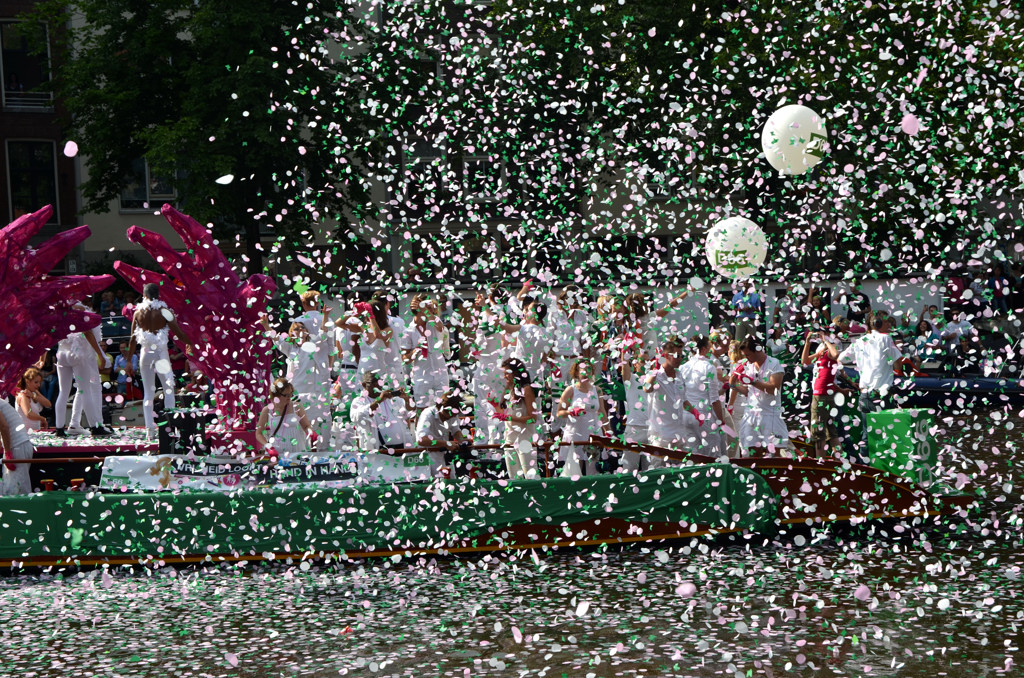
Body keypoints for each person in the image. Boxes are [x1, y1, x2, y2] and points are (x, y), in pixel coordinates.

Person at [126, 283, 190, 439]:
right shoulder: (164, 311)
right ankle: (169, 428)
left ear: (144, 295)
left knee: (148, 392)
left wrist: (128, 360)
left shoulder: (137, 313)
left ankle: (150, 431)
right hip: (160, 353)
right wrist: (192, 343)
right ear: (158, 295)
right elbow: (179, 334)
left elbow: (132, 340)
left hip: (145, 354)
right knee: (168, 389)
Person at [837, 314, 903, 459]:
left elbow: (841, 359)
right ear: (877, 323)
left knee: (867, 433)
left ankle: (865, 466)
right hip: (882, 394)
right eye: (887, 322)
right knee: (887, 433)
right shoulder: (885, 339)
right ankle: (886, 469)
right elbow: (898, 364)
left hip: (865, 394)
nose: (890, 325)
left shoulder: (860, 341)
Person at [53, 303, 112, 438]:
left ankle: (59, 429)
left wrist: (42, 357)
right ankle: (95, 427)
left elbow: (52, 334)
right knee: (84, 390)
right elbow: (88, 333)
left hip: (62, 352)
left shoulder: (59, 308)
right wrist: (100, 354)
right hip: (77, 353)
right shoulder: (78, 308)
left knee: (63, 392)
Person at [730, 335, 790, 454]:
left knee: (774, 454)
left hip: (770, 414)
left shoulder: (774, 363)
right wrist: (733, 384)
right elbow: (748, 392)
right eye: (745, 355)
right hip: (751, 414)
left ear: (758, 350)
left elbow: (774, 389)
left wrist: (752, 381)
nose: (746, 358)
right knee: (752, 452)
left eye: (748, 354)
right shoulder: (747, 365)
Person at [643, 336, 698, 466]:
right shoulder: (656, 375)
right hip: (660, 435)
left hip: (678, 434)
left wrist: (696, 413)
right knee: (659, 471)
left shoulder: (679, 376)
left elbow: (683, 401)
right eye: (677, 356)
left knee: (683, 470)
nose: (680, 359)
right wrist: (654, 374)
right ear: (667, 355)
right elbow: (646, 389)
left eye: (681, 356)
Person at [556, 360, 611, 477]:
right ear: (576, 372)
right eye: (583, 369)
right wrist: (571, 412)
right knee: (574, 472)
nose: (586, 372)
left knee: (594, 471)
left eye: (589, 369)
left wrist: (608, 431)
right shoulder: (570, 390)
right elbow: (559, 413)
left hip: (594, 433)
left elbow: (602, 412)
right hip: (576, 433)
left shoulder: (597, 390)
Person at [401, 294, 451, 410]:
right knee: (422, 410)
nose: (431, 311)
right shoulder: (408, 331)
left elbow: (440, 327)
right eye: (427, 308)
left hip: (440, 374)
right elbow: (405, 359)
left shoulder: (433, 323)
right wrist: (415, 350)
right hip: (422, 376)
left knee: (444, 408)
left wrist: (425, 310)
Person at [493, 357, 540, 479]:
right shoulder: (509, 390)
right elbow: (505, 415)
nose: (505, 377)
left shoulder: (526, 389)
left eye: (507, 373)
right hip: (509, 439)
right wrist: (494, 405)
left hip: (525, 439)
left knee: (531, 477)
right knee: (514, 479)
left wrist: (508, 418)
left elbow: (533, 418)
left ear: (516, 373)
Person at [800, 330, 845, 457]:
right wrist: (808, 343)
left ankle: (821, 461)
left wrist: (826, 340)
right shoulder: (822, 352)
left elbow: (835, 354)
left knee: (818, 431)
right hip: (824, 394)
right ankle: (839, 461)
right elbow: (805, 361)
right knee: (831, 431)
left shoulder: (831, 350)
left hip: (822, 395)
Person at [680, 335, 727, 457]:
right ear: (705, 349)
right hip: (703, 415)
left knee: (695, 455)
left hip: (686, 414)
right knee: (713, 454)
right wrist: (721, 421)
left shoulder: (683, 367)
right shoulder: (709, 367)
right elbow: (714, 398)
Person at [349, 372, 416, 452]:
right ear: (364, 385)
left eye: (379, 383)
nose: (377, 386)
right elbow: (359, 417)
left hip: (401, 448)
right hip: (378, 451)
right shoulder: (358, 401)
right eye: (373, 384)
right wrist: (379, 400)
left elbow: (411, 410)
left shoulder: (392, 399)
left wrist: (406, 398)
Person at [255, 377, 315, 459]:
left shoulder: (296, 406)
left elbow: (306, 426)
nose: (289, 397)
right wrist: (268, 447)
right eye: (286, 395)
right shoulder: (267, 410)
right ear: (276, 395)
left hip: (297, 450)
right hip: (277, 452)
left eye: (291, 394)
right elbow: (258, 433)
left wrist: (311, 432)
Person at [415, 390, 466, 475]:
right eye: (452, 414)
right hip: (428, 457)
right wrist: (446, 444)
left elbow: (456, 430)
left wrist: (464, 441)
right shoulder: (427, 415)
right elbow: (421, 440)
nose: (454, 416)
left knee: (451, 482)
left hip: (445, 456)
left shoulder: (453, 413)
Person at [0, 399, 35, 496]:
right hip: (19, 445)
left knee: (16, 491)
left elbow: (4, 427)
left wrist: (7, 453)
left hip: (17, 446)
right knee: (14, 487)